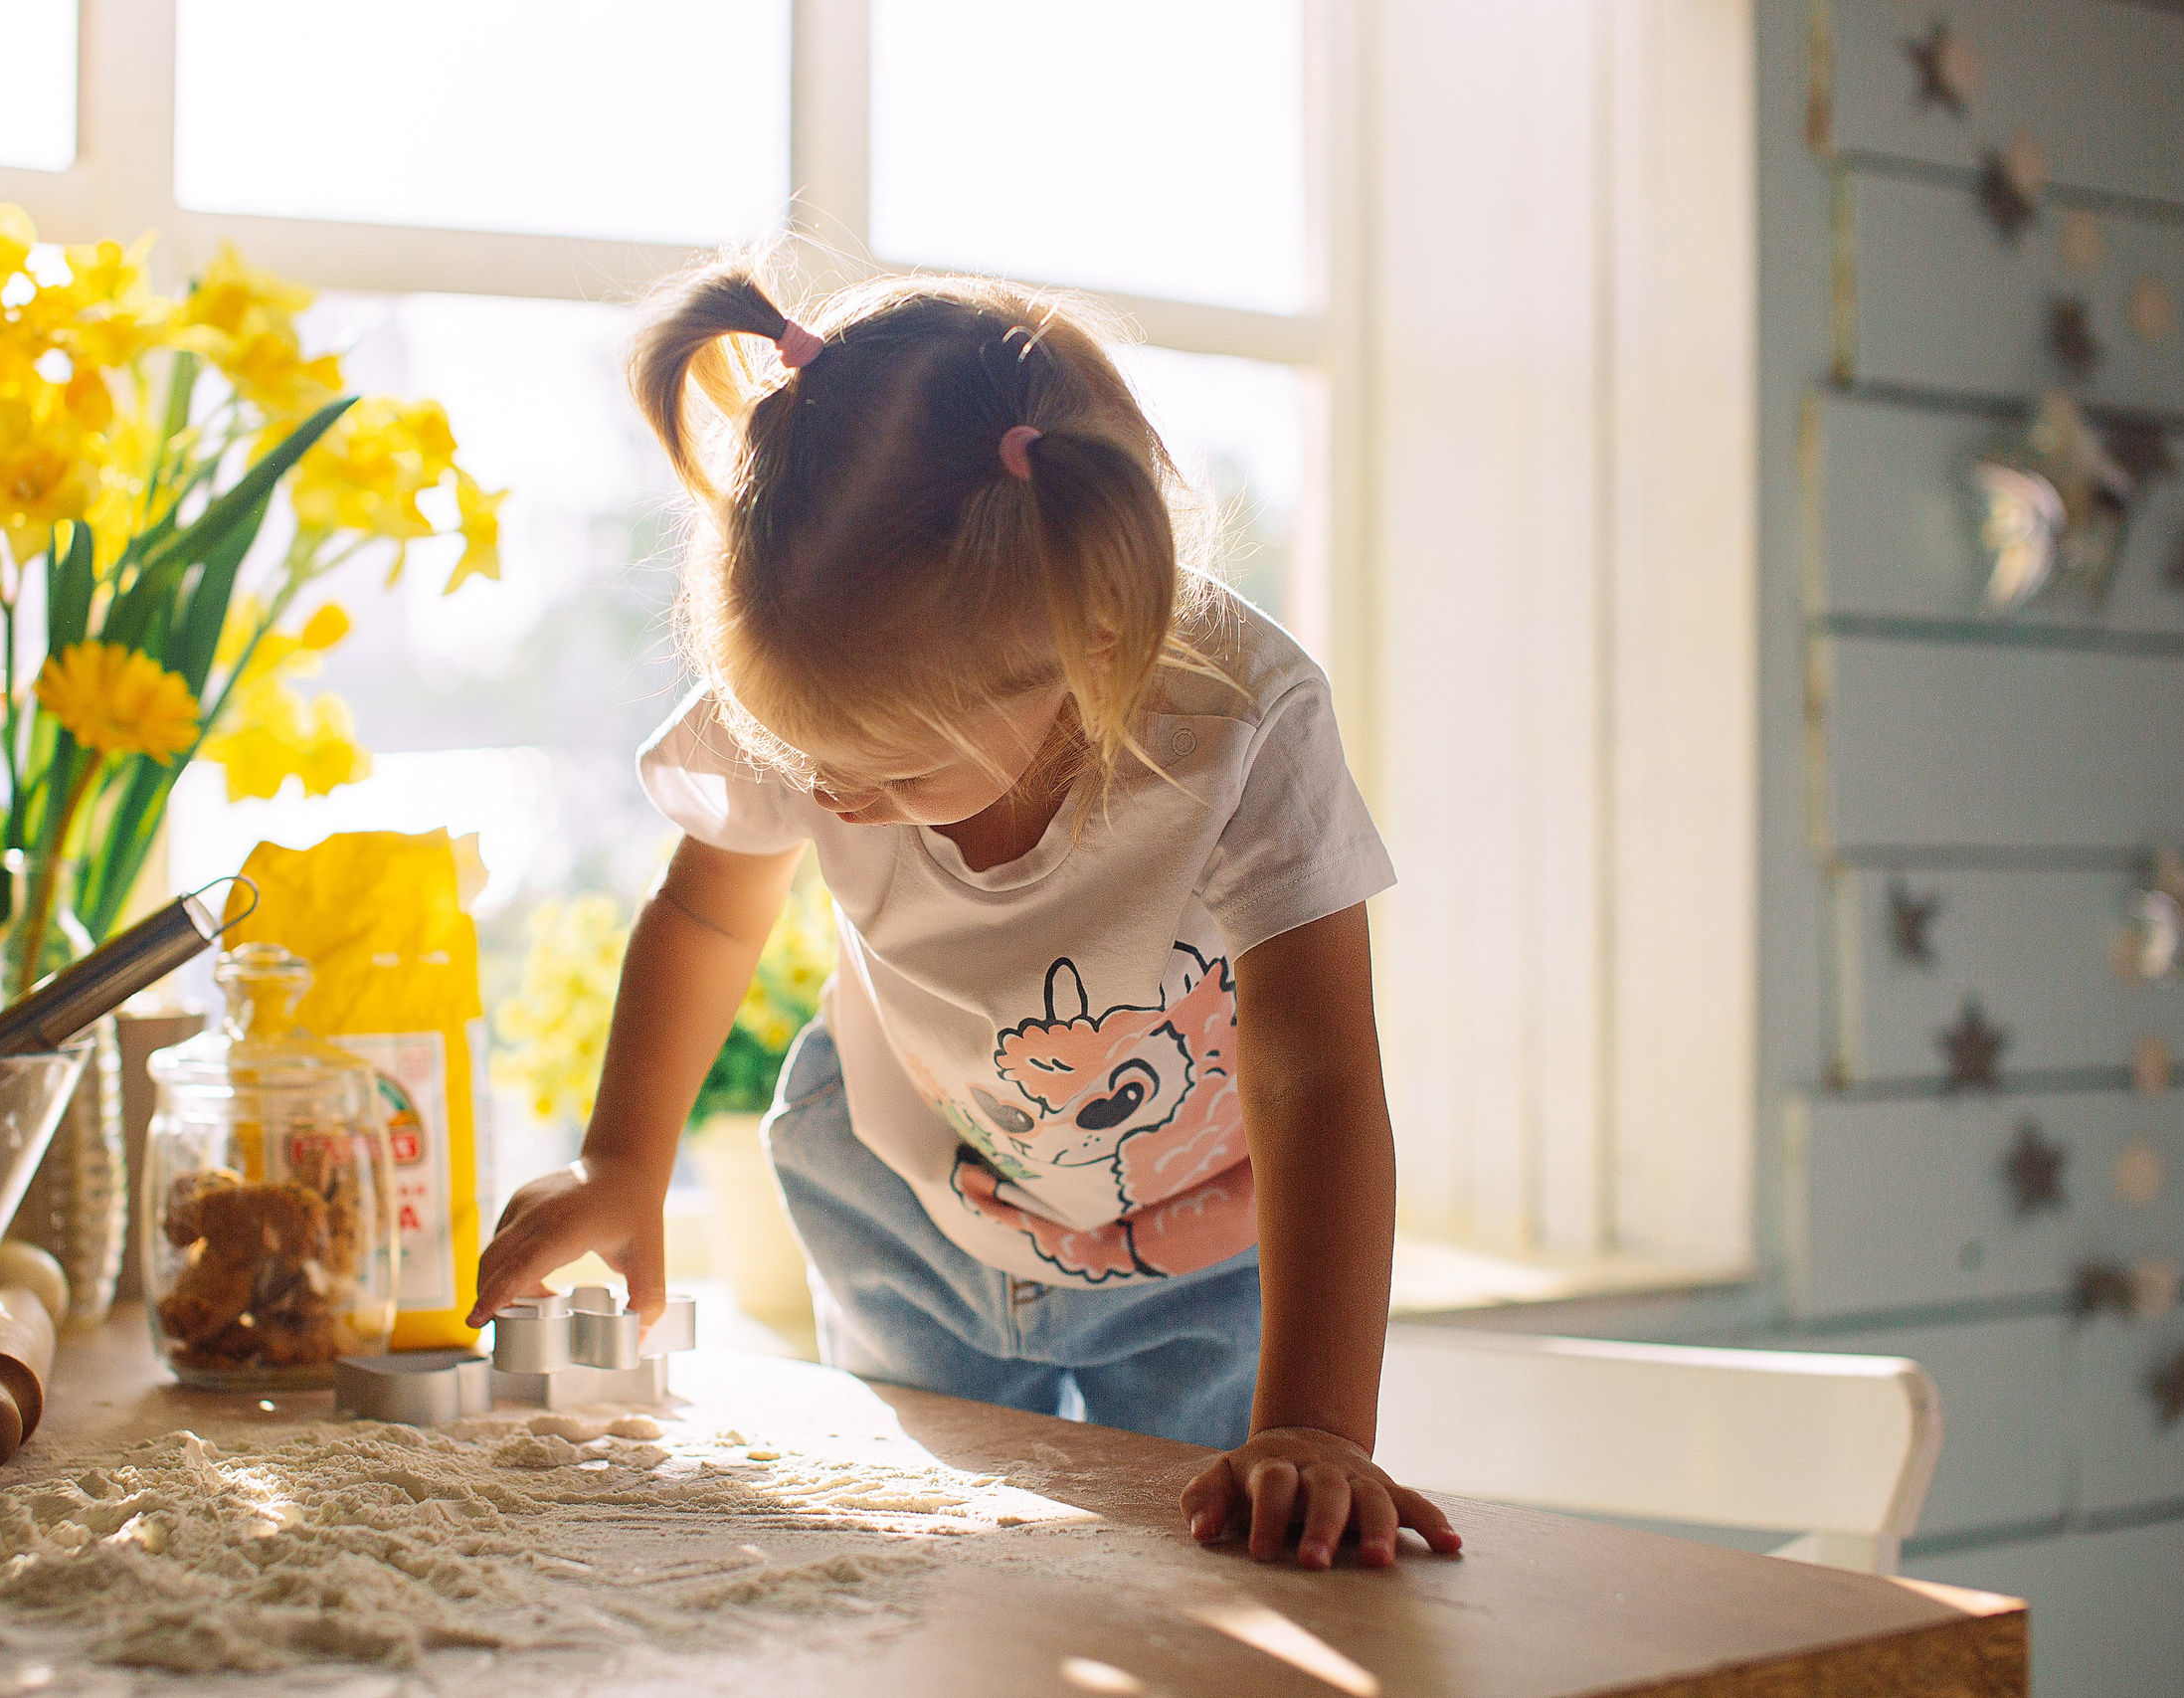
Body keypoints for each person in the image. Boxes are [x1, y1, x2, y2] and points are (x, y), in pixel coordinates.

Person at [467, 262, 1461, 1572]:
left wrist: (1322, 1426)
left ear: (1087, 648)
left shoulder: (1238, 721)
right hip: (905, 1202)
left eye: (885, 772)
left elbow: (1315, 1067)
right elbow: (710, 916)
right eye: (801, 751)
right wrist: (622, 1157)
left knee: (1211, 1580)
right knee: (930, 1572)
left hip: (1199, 1255)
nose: (825, 793)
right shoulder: (824, 664)